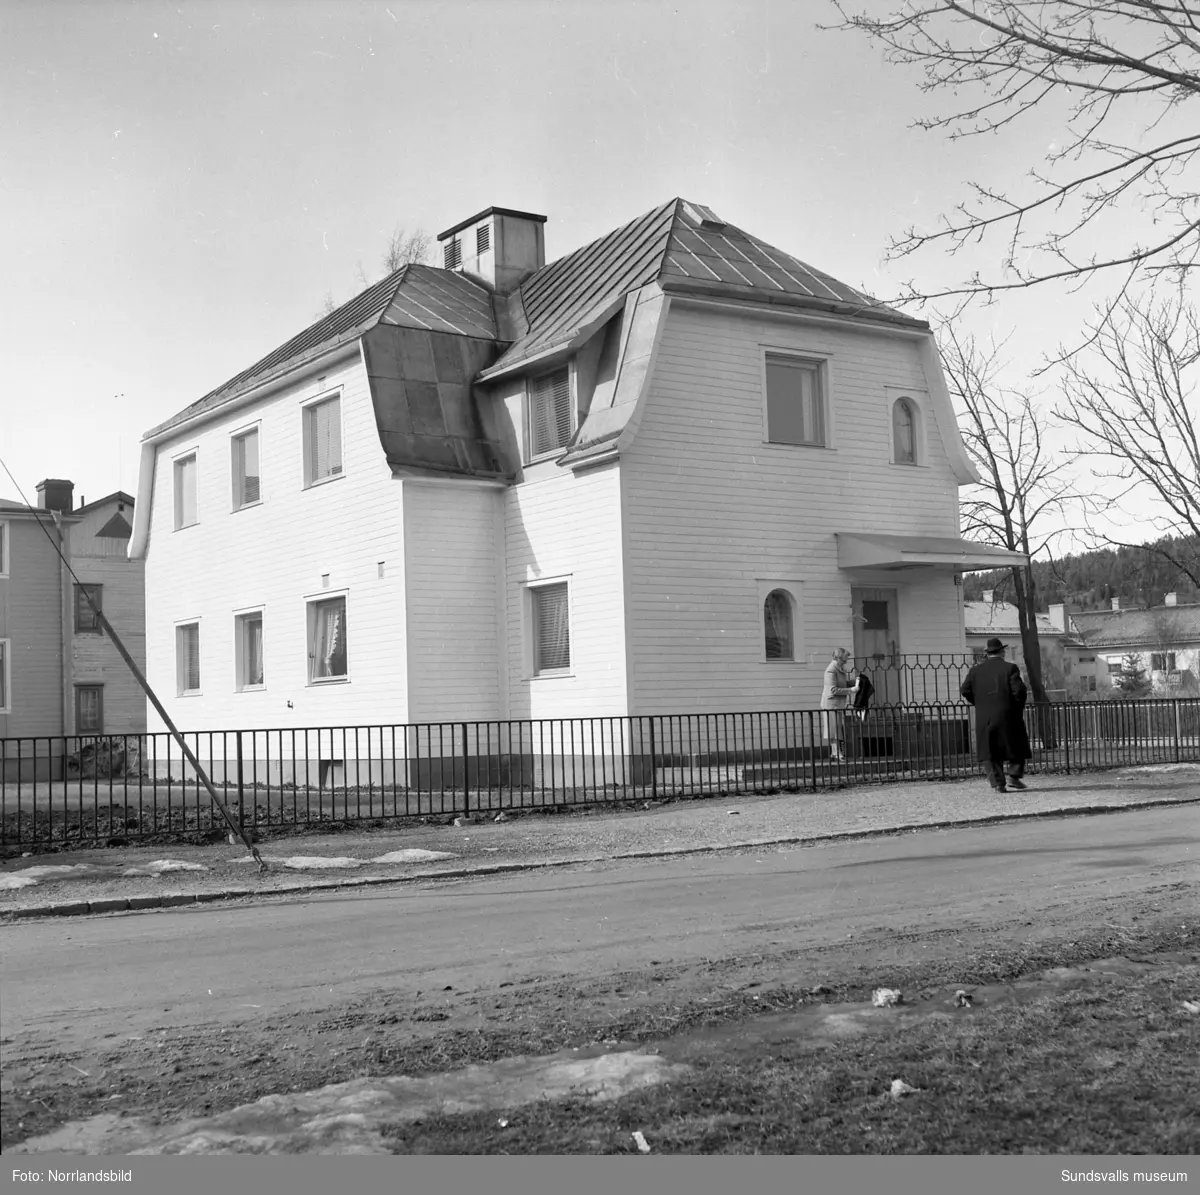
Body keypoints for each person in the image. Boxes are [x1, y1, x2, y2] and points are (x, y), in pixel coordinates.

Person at [959, 638, 1032, 792]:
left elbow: (965, 690)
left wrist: (979, 703)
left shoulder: (975, 670)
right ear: (1002, 652)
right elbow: (1019, 691)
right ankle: (1014, 775)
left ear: (986, 653)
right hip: (1008, 715)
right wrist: (1016, 707)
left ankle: (998, 783)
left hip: (984, 717)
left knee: (989, 750)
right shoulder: (1010, 668)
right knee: (1017, 744)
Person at [821, 647, 857, 761]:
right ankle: (837, 753)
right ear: (839, 656)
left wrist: (853, 682)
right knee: (834, 729)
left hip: (837, 703)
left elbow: (842, 684)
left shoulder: (839, 668)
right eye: (846, 655)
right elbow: (833, 690)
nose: (848, 658)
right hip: (831, 703)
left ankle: (835, 753)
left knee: (836, 728)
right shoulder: (831, 670)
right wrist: (852, 690)